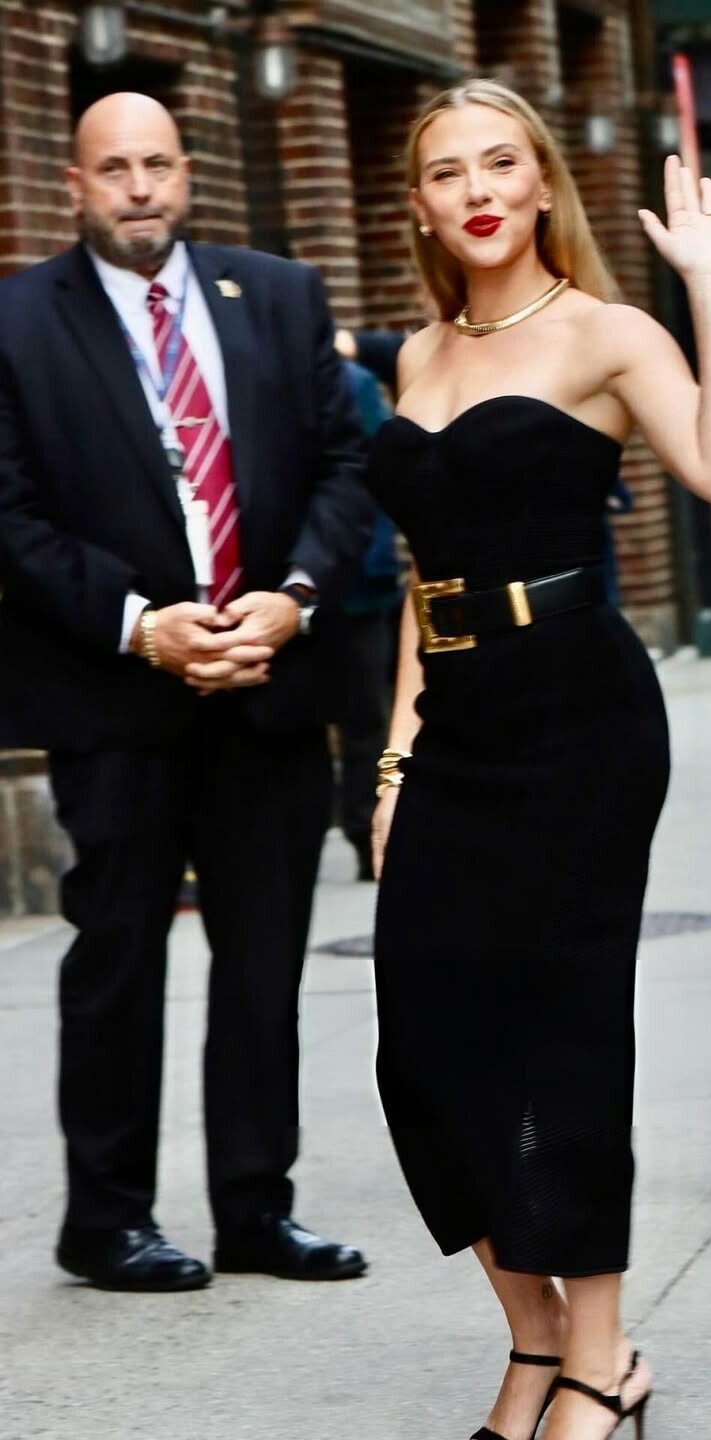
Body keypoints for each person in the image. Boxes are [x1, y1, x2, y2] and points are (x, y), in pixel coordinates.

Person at [367, 80, 711, 1440]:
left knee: (565, 1037)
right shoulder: (417, 360)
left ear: (542, 185)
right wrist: (395, 759)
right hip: (457, 728)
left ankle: (596, 1360)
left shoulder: (606, 331)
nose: (477, 190)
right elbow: (425, 582)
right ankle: (533, 1333)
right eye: (447, 172)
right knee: (422, 1048)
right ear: (419, 205)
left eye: (500, 164)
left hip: (579, 720)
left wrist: (707, 286)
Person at [0, 93, 371, 1291]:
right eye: (114, 169)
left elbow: (345, 465)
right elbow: (9, 515)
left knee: (263, 964)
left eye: (157, 163)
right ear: (74, 185)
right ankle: (105, 1220)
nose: (140, 188)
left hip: (270, 681)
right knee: (118, 960)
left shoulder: (280, 295)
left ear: (188, 170)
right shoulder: (15, 320)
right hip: (114, 700)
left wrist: (295, 596)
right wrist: (138, 626)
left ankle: (257, 1211)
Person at [338, 357, 403, 879]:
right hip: (283, 588)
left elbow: (385, 476)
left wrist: (379, 565)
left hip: (359, 585)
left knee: (365, 717)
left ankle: (366, 835)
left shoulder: (354, 383)